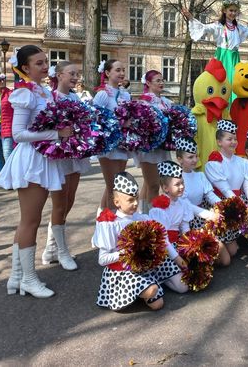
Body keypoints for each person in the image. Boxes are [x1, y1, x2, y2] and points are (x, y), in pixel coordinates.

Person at [0, 45, 73, 299]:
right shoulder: (24, 93)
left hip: (43, 157)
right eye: (39, 63)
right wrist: (56, 134)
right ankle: (28, 278)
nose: (45, 66)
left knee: (30, 220)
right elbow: (18, 134)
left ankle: (17, 277)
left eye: (46, 62)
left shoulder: (41, 91)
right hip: (32, 160)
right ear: (25, 68)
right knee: (30, 221)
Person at [41, 61, 91, 271]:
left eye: (77, 74)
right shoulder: (50, 97)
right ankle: (61, 251)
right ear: (59, 75)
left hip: (74, 155)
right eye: (71, 73)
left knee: (69, 202)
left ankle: (51, 247)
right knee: (60, 204)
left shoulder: (75, 98)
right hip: (59, 156)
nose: (75, 77)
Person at [93, 172, 168, 311]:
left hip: (140, 269)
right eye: (130, 200)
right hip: (121, 273)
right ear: (117, 202)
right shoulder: (110, 224)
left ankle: (140, 291)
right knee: (152, 290)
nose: (135, 203)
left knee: (158, 304)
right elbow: (102, 260)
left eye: (137, 199)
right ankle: (131, 292)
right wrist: (127, 252)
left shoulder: (139, 218)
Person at [149, 161, 218, 294]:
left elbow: (184, 228)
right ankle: (161, 277)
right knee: (183, 287)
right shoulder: (159, 208)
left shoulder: (182, 203)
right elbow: (162, 238)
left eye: (182, 183)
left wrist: (191, 247)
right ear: (165, 188)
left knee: (196, 270)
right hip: (163, 249)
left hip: (176, 244)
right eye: (177, 184)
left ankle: (175, 273)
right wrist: (176, 257)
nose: (181, 187)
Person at [182, 1, 248, 101]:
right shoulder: (219, 26)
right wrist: (190, 18)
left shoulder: (238, 28)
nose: (233, 13)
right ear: (224, 11)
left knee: (235, 81)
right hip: (223, 55)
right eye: (231, 10)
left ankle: (233, 105)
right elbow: (205, 28)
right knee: (222, 80)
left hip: (234, 57)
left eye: (235, 11)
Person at [204, 120, 248, 253]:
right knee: (232, 252)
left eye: (235, 139)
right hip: (223, 205)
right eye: (229, 139)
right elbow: (226, 190)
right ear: (219, 142)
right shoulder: (213, 163)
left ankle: (242, 236)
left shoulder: (242, 162)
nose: (233, 142)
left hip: (239, 202)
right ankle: (227, 240)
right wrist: (242, 209)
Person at [175, 137, 233, 265]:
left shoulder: (199, 175)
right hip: (189, 221)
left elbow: (210, 195)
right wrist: (210, 215)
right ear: (179, 159)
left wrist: (224, 206)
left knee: (232, 252)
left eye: (196, 156)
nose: (195, 160)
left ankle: (208, 256)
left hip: (204, 218)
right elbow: (187, 205)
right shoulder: (177, 181)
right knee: (225, 260)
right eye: (190, 157)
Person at [93, 59, 131, 212]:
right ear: (107, 73)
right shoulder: (103, 94)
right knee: (113, 188)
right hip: (108, 146)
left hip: (122, 144)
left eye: (123, 70)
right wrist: (117, 123)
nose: (122, 73)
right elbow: (92, 117)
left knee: (117, 183)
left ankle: (103, 215)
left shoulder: (126, 95)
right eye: (118, 70)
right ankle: (110, 225)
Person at [137, 70, 172, 209]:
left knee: (149, 183)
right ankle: (152, 218)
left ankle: (143, 215)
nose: (161, 83)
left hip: (163, 147)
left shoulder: (167, 102)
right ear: (148, 83)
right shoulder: (144, 102)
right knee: (153, 185)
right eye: (158, 80)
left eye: (162, 80)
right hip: (149, 148)